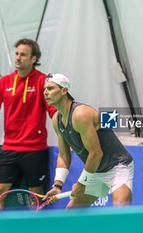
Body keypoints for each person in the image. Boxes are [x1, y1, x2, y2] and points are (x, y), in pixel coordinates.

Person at [0, 38, 57, 209]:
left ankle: (37, 227)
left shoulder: (42, 81)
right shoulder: (4, 82)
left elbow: (53, 111)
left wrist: (68, 133)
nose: (17, 58)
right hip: (10, 148)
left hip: (35, 149)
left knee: (36, 195)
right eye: (16, 54)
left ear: (33, 59)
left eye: (23, 55)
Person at [43, 73, 134, 207]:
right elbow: (63, 155)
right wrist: (57, 185)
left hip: (117, 167)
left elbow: (96, 154)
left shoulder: (81, 114)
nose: (45, 93)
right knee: (71, 213)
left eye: (50, 88)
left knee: (120, 213)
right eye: (44, 89)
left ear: (64, 91)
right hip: (96, 171)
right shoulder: (56, 119)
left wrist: (81, 184)